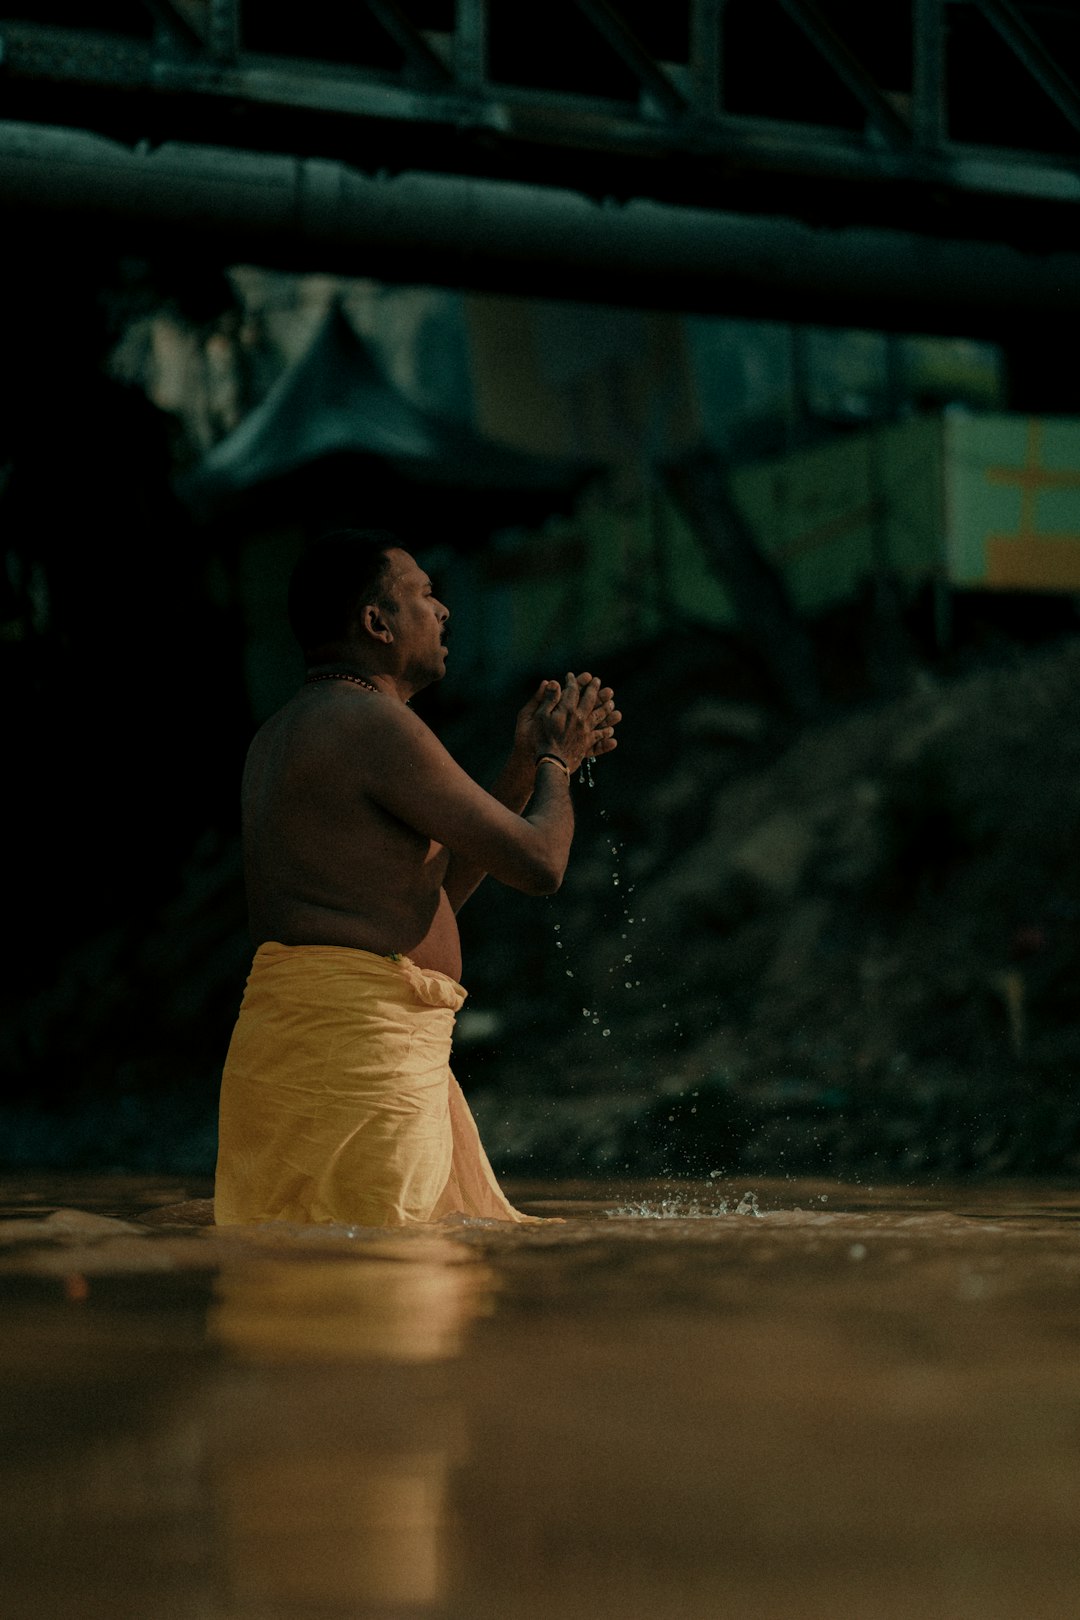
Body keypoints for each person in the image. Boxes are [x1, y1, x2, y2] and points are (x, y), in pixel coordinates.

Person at [215, 528, 621, 1228]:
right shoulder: (369, 723)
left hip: (311, 1050)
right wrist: (559, 759)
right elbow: (538, 864)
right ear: (376, 623)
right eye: (425, 595)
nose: (444, 612)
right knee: (385, 1291)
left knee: (316, 1288)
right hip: (355, 1057)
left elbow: (427, 895)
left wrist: (522, 765)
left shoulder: (288, 730)